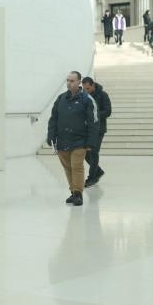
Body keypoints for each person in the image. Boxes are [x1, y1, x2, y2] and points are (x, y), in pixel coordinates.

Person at [47, 71, 98, 206]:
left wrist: (91, 142)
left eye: (72, 81)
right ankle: (73, 192)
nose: (69, 83)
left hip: (79, 140)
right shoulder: (60, 99)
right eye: (67, 80)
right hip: (62, 140)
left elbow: (93, 121)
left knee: (77, 166)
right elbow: (53, 119)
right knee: (68, 168)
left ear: (79, 82)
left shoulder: (86, 99)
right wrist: (50, 136)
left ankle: (78, 193)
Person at [82, 77, 112, 187]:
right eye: (84, 89)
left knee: (94, 152)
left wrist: (95, 115)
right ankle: (98, 171)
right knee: (85, 154)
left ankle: (92, 178)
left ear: (93, 85)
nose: (86, 91)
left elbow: (108, 112)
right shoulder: (83, 95)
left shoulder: (103, 95)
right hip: (88, 130)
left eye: (88, 88)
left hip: (99, 129)